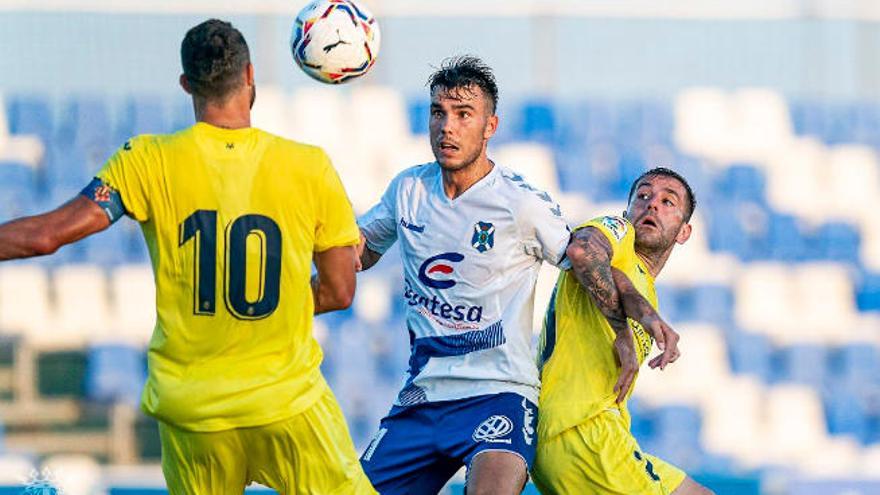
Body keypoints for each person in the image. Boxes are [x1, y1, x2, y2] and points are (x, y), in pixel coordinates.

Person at [0, 19, 375, 495]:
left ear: (186, 84)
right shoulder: (308, 165)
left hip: (193, 416)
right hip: (288, 406)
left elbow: (46, 237)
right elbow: (340, 292)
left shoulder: (145, 160)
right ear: (250, 75)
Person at [355, 55, 677, 495]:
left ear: (490, 126)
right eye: (438, 112)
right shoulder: (408, 189)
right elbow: (362, 252)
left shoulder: (521, 203)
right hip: (422, 396)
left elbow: (586, 260)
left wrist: (622, 325)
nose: (447, 127)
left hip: (499, 394)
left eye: (463, 114)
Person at [531, 167, 715, 495]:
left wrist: (642, 316)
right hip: (581, 433)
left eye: (667, 201)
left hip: (599, 437)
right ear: (626, 212)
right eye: (643, 196)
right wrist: (622, 330)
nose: (652, 205)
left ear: (684, 232)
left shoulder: (641, 282)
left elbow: (619, 279)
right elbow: (582, 252)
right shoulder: (616, 230)